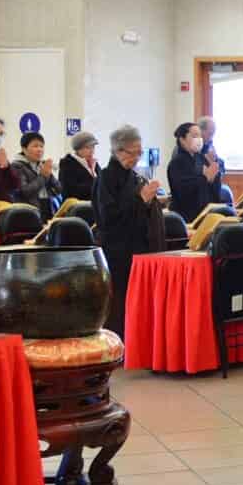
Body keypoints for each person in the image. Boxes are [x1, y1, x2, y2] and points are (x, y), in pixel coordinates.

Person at [94, 125, 163, 336]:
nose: (136, 158)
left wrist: (149, 202)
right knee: (120, 301)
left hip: (138, 246)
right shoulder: (105, 178)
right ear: (118, 151)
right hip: (116, 249)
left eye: (139, 153)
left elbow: (142, 210)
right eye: (132, 153)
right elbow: (108, 216)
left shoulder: (134, 177)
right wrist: (140, 199)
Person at [167, 121, 221, 223]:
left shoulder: (202, 158)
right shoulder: (177, 163)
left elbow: (213, 186)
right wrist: (205, 178)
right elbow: (184, 190)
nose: (199, 139)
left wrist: (214, 176)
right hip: (186, 216)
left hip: (205, 212)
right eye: (195, 136)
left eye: (200, 136)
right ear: (182, 140)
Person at [11, 131, 62, 217]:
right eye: (35, 146)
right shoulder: (17, 166)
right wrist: (43, 176)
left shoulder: (42, 165)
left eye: (41, 146)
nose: (39, 150)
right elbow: (25, 192)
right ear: (24, 149)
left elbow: (59, 189)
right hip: (29, 212)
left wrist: (49, 175)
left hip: (47, 207)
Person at [197, 116, 233, 203]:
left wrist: (215, 162)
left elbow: (218, 162)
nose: (212, 137)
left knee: (225, 192)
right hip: (199, 187)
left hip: (211, 184)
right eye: (210, 133)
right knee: (224, 193)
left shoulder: (209, 144)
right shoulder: (193, 147)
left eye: (213, 134)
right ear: (201, 131)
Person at [59, 131, 100, 202]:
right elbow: (71, 191)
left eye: (93, 147)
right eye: (87, 147)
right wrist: (97, 186)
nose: (92, 151)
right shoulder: (67, 164)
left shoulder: (94, 164)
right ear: (78, 149)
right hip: (77, 207)